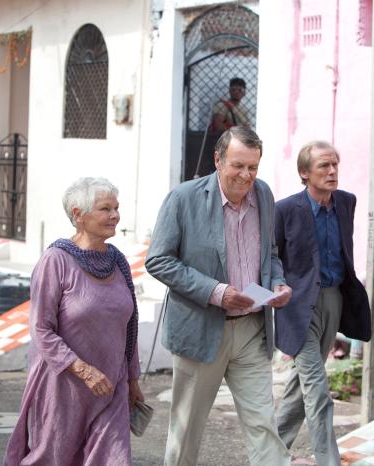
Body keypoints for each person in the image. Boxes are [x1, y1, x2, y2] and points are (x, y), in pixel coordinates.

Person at [146, 126, 292, 466]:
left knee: (264, 426)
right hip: (200, 331)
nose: (246, 176)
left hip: (252, 330)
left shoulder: (265, 196)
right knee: (186, 434)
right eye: (238, 166)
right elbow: (158, 260)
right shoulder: (184, 198)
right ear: (217, 160)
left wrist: (277, 283)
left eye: (252, 167)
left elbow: (269, 253)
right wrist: (216, 292)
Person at [3, 177, 144, 466]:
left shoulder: (118, 262)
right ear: (78, 215)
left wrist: (132, 379)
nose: (115, 215)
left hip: (111, 386)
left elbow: (130, 325)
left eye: (116, 208)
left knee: (114, 459)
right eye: (105, 209)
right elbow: (41, 329)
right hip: (64, 385)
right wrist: (83, 370)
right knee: (53, 459)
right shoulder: (55, 260)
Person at [274, 141, 372, 466]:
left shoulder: (346, 202)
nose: (332, 172)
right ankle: (329, 460)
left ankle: (270, 453)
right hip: (298, 306)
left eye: (335, 165)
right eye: (323, 167)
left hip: (334, 300)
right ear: (304, 173)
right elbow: (272, 256)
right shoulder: (285, 210)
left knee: (298, 389)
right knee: (316, 389)